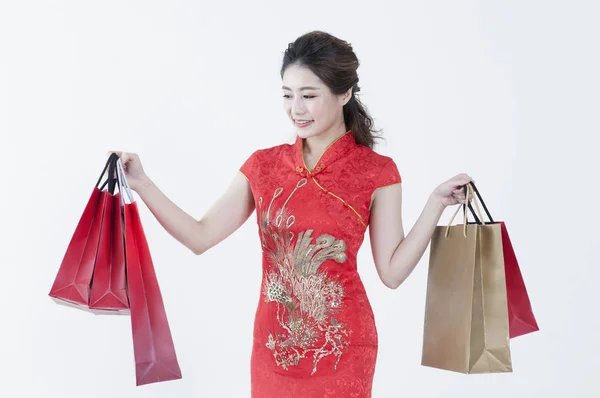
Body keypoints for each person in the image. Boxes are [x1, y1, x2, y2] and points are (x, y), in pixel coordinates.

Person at [111, 30, 473, 398]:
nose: (296, 109)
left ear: (344, 94)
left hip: (343, 349)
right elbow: (199, 236)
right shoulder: (264, 166)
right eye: (287, 95)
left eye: (309, 96)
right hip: (273, 349)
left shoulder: (377, 172)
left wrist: (435, 204)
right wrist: (142, 183)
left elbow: (392, 273)